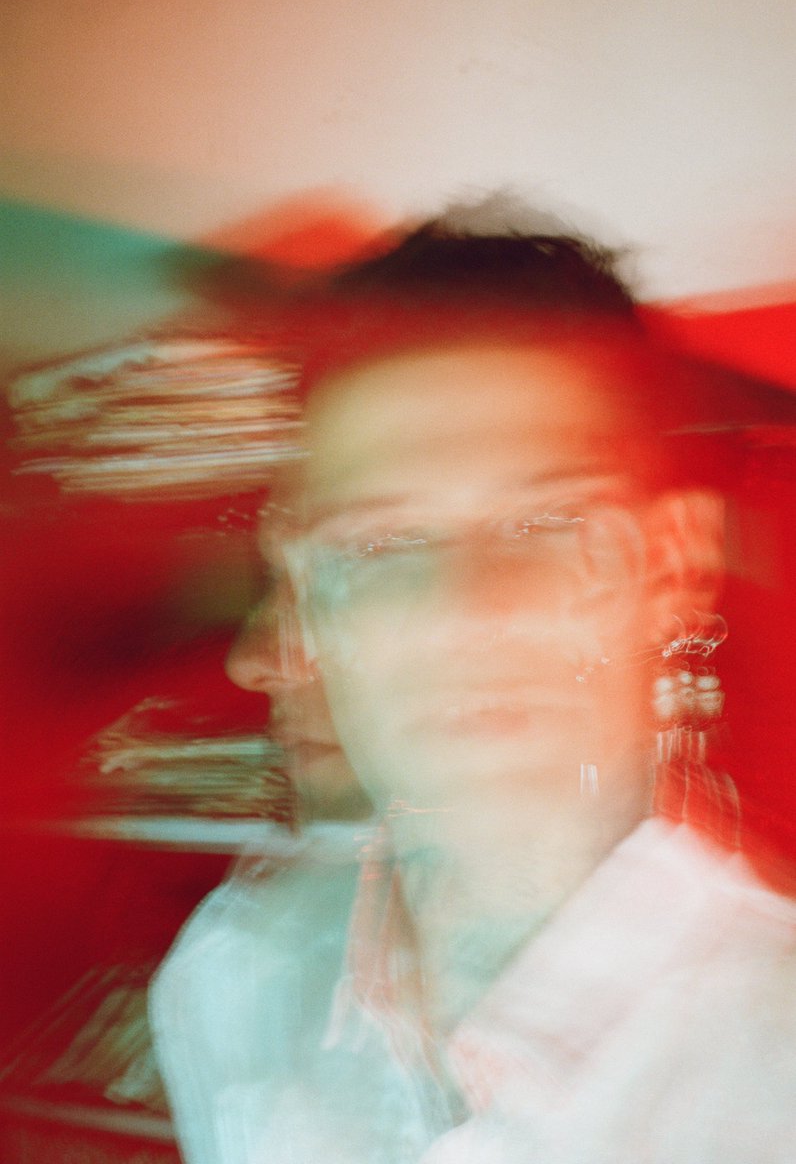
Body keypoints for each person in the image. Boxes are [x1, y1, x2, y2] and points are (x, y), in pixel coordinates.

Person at [151, 206, 796, 1163]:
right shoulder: (228, 985)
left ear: (674, 563)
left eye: (550, 524)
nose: (466, 613)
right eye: (379, 545)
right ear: (308, 599)